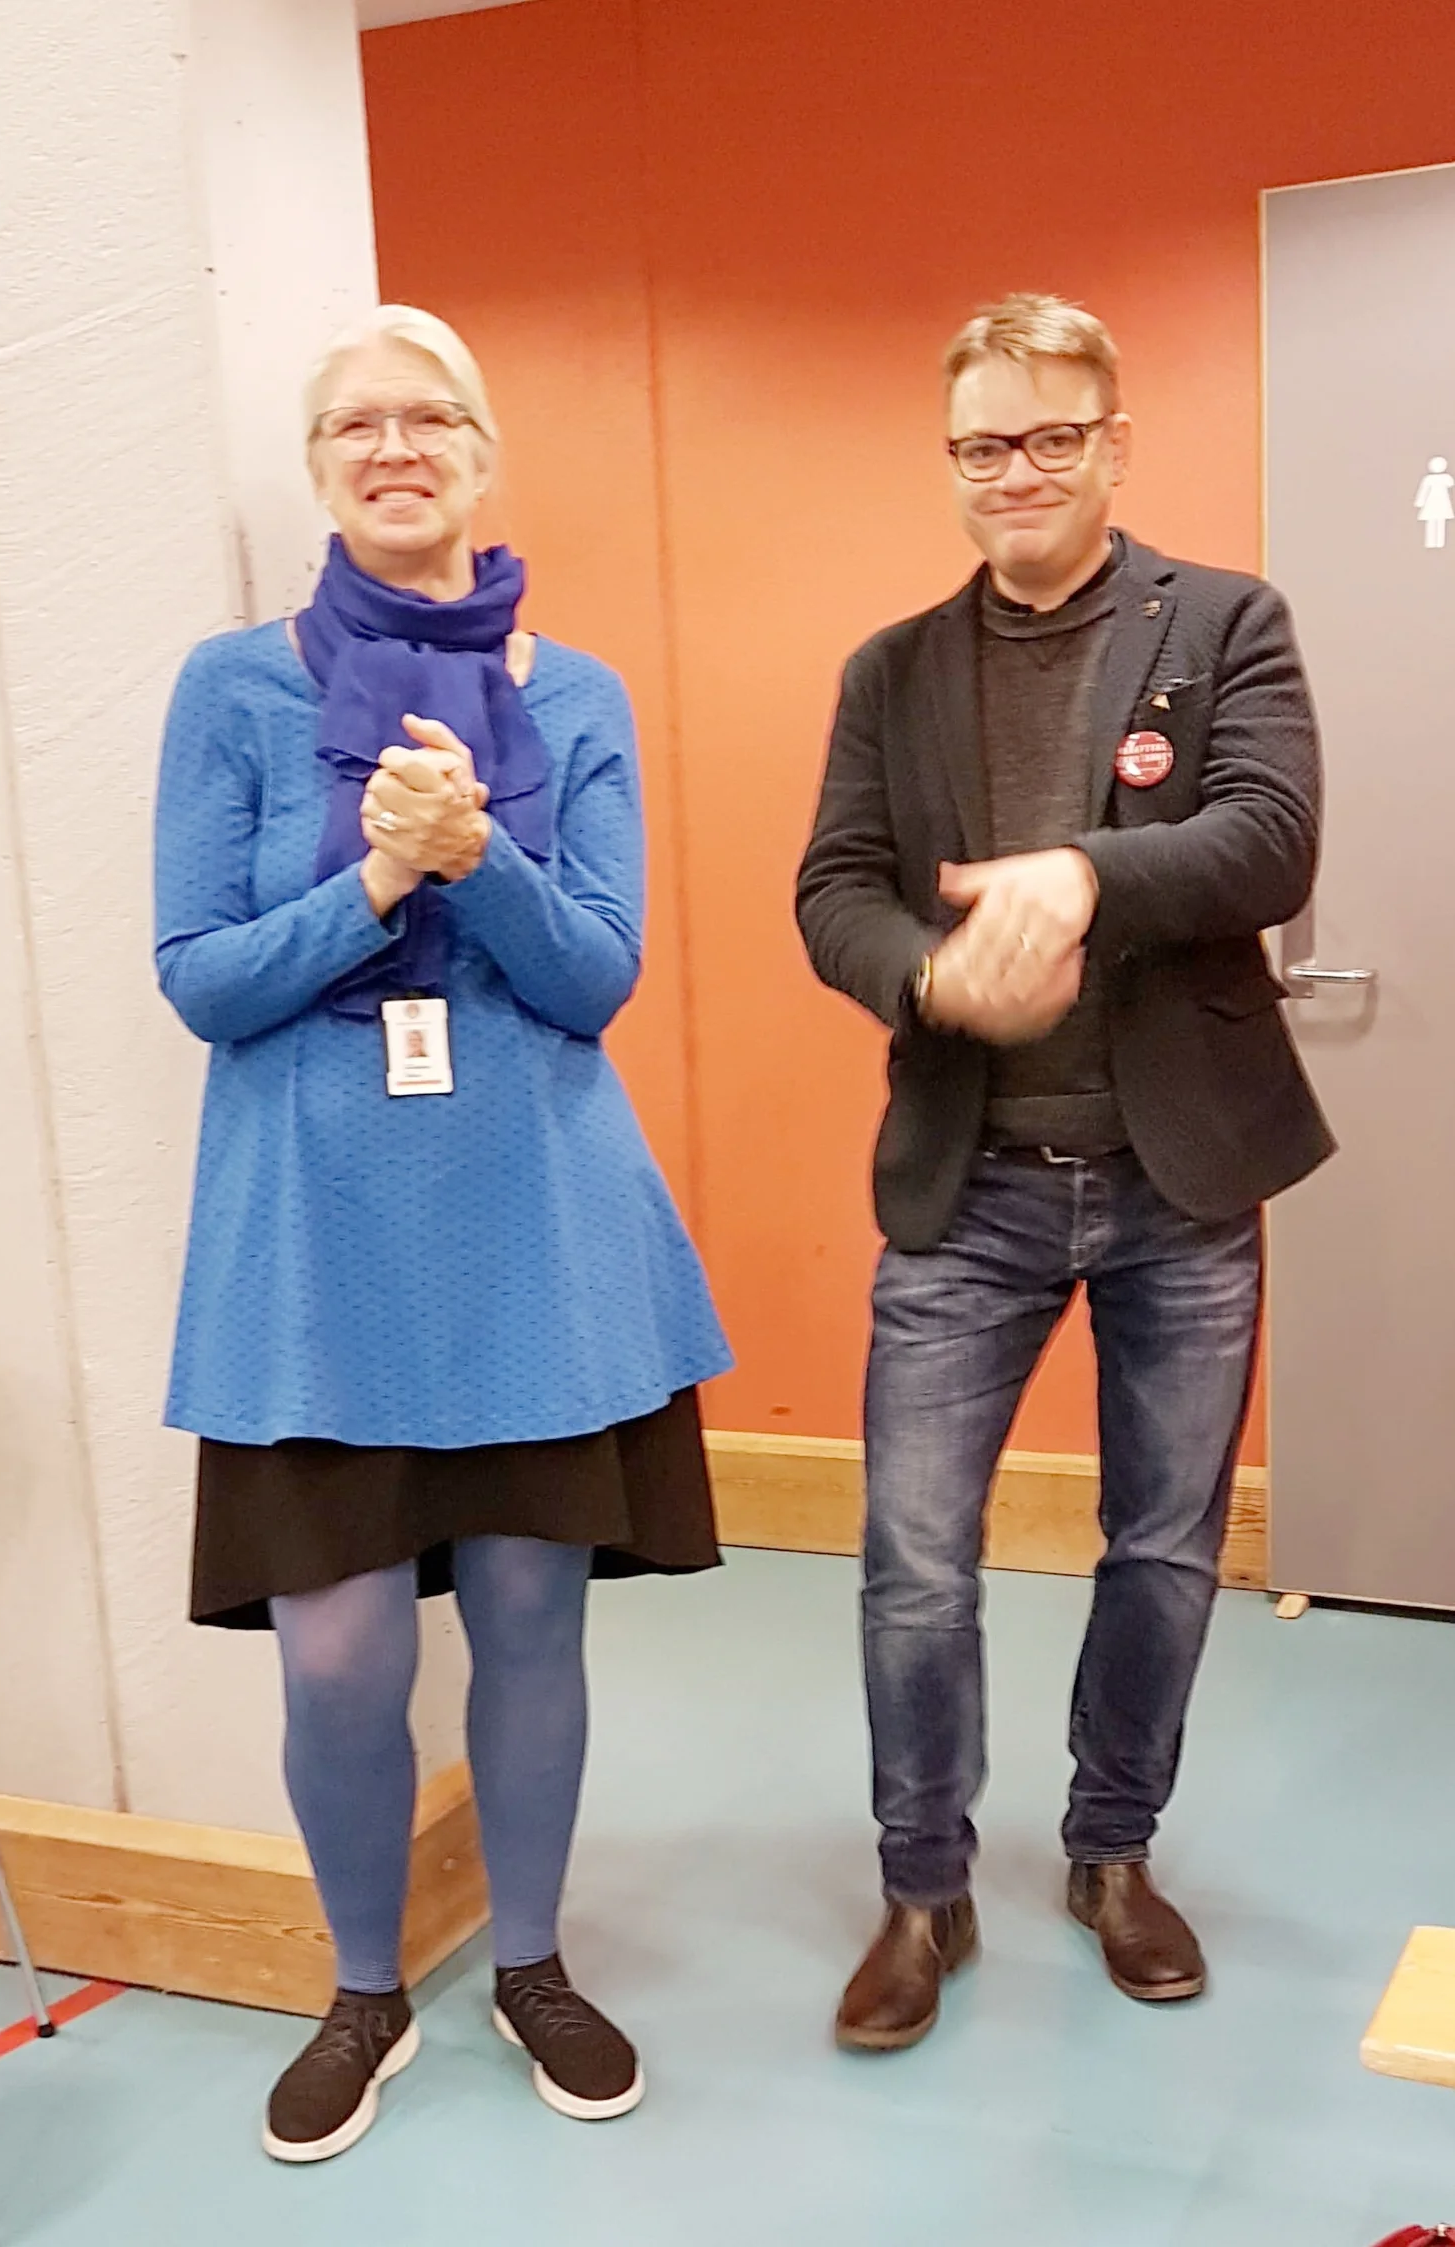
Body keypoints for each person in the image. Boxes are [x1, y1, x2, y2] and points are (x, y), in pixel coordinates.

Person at [154, 305, 731, 2161]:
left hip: (535, 1229)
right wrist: (381, 876)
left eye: (430, 417)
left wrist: (482, 862)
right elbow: (202, 980)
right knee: (336, 1654)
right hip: (314, 1247)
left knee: (529, 1620)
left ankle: (534, 1963)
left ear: (482, 455)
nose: (393, 446)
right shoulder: (229, 690)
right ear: (317, 467)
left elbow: (597, 979)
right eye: (355, 423)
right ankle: (362, 1986)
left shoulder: (581, 696)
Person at [796, 293, 1333, 2051]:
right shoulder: (889, 670)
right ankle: (920, 1886)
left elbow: (1268, 839)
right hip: (970, 1183)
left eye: (1046, 436)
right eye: (980, 444)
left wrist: (1084, 874)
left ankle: (1112, 1852)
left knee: (1161, 1547)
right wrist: (929, 977)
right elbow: (835, 890)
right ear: (950, 459)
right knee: (911, 1559)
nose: (1013, 471)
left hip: (1180, 1179)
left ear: (1111, 442)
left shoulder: (1225, 621)